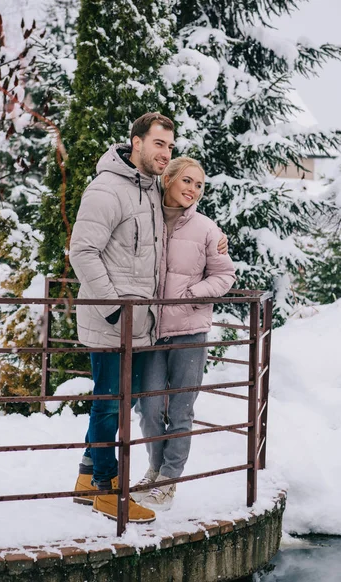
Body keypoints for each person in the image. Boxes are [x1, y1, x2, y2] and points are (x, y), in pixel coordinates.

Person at [69, 113, 228, 523]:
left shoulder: (148, 191)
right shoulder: (107, 189)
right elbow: (82, 252)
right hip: (113, 324)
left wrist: (216, 236)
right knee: (109, 405)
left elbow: (180, 219)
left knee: (123, 401)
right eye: (159, 144)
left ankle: (88, 476)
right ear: (135, 142)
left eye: (170, 146)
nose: (165, 153)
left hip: (141, 327)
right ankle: (105, 488)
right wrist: (114, 310)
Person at [133, 157, 236, 510]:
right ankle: (154, 468)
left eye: (199, 185)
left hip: (189, 331)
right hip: (151, 332)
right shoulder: (148, 219)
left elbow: (225, 277)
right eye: (187, 181)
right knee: (148, 408)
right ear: (168, 179)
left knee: (180, 409)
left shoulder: (208, 229)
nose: (193, 190)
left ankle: (168, 480)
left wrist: (192, 294)